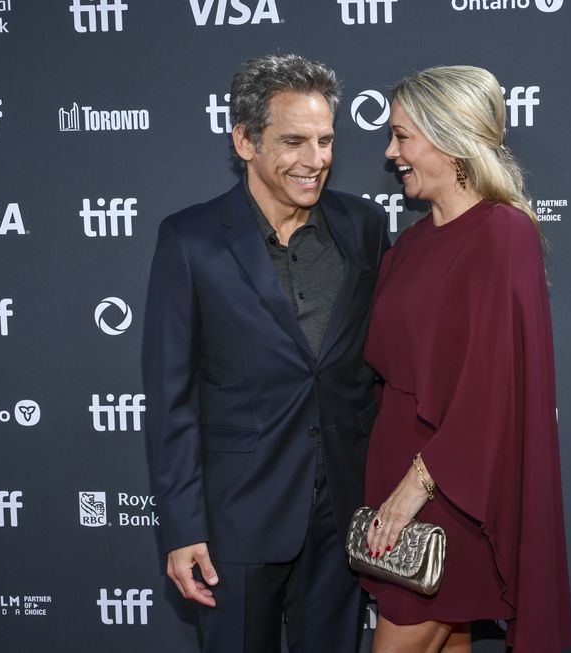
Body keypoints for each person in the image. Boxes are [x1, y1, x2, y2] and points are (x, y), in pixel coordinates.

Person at [142, 53, 389, 653]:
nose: (316, 160)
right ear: (245, 141)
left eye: (327, 140)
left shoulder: (363, 226)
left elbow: (380, 368)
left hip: (345, 515)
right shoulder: (190, 239)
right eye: (295, 141)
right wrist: (182, 528)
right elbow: (170, 396)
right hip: (237, 517)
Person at [361, 65, 571, 652]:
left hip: (451, 491)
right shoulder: (408, 245)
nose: (390, 152)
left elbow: (493, 387)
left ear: (450, 138)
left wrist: (414, 488)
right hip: (398, 474)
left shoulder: (503, 234)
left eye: (402, 136)